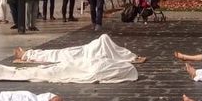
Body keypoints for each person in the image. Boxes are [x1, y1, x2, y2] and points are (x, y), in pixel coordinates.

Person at [0, 34, 139, 84]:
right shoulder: (103, 51)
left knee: (51, 66)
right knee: (60, 55)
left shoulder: (111, 63)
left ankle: (26, 56)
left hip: (84, 60)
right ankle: (28, 55)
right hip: (84, 54)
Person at [13, 34, 146, 64]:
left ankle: (28, 54)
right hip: (85, 49)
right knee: (59, 53)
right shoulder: (106, 47)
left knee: (58, 55)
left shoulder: (107, 51)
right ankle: (28, 54)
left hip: (85, 53)